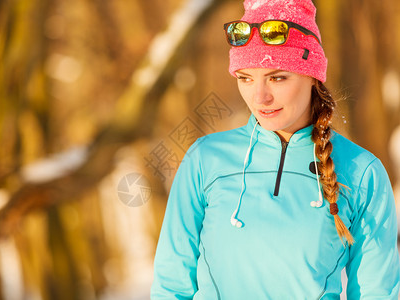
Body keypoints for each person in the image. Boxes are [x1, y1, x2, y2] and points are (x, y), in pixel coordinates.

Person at [150, 0, 400, 298]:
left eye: (277, 77)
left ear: (312, 76)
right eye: (245, 78)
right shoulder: (205, 160)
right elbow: (171, 285)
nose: (259, 97)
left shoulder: (361, 172)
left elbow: (377, 292)